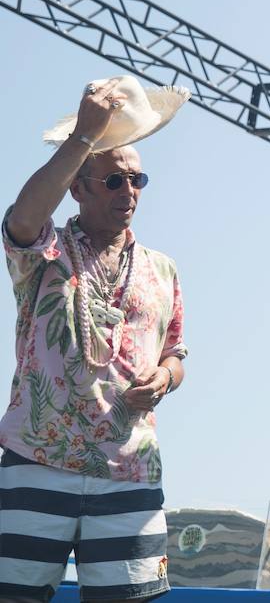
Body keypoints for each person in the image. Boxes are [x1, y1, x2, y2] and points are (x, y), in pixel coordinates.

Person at [1, 77, 188, 602]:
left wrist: (165, 378)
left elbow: (176, 350)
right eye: (112, 181)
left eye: (137, 180)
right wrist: (83, 137)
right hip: (37, 461)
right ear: (77, 188)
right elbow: (21, 220)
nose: (128, 192)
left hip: (130, 472)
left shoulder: (162, 268)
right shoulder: (45, 252)